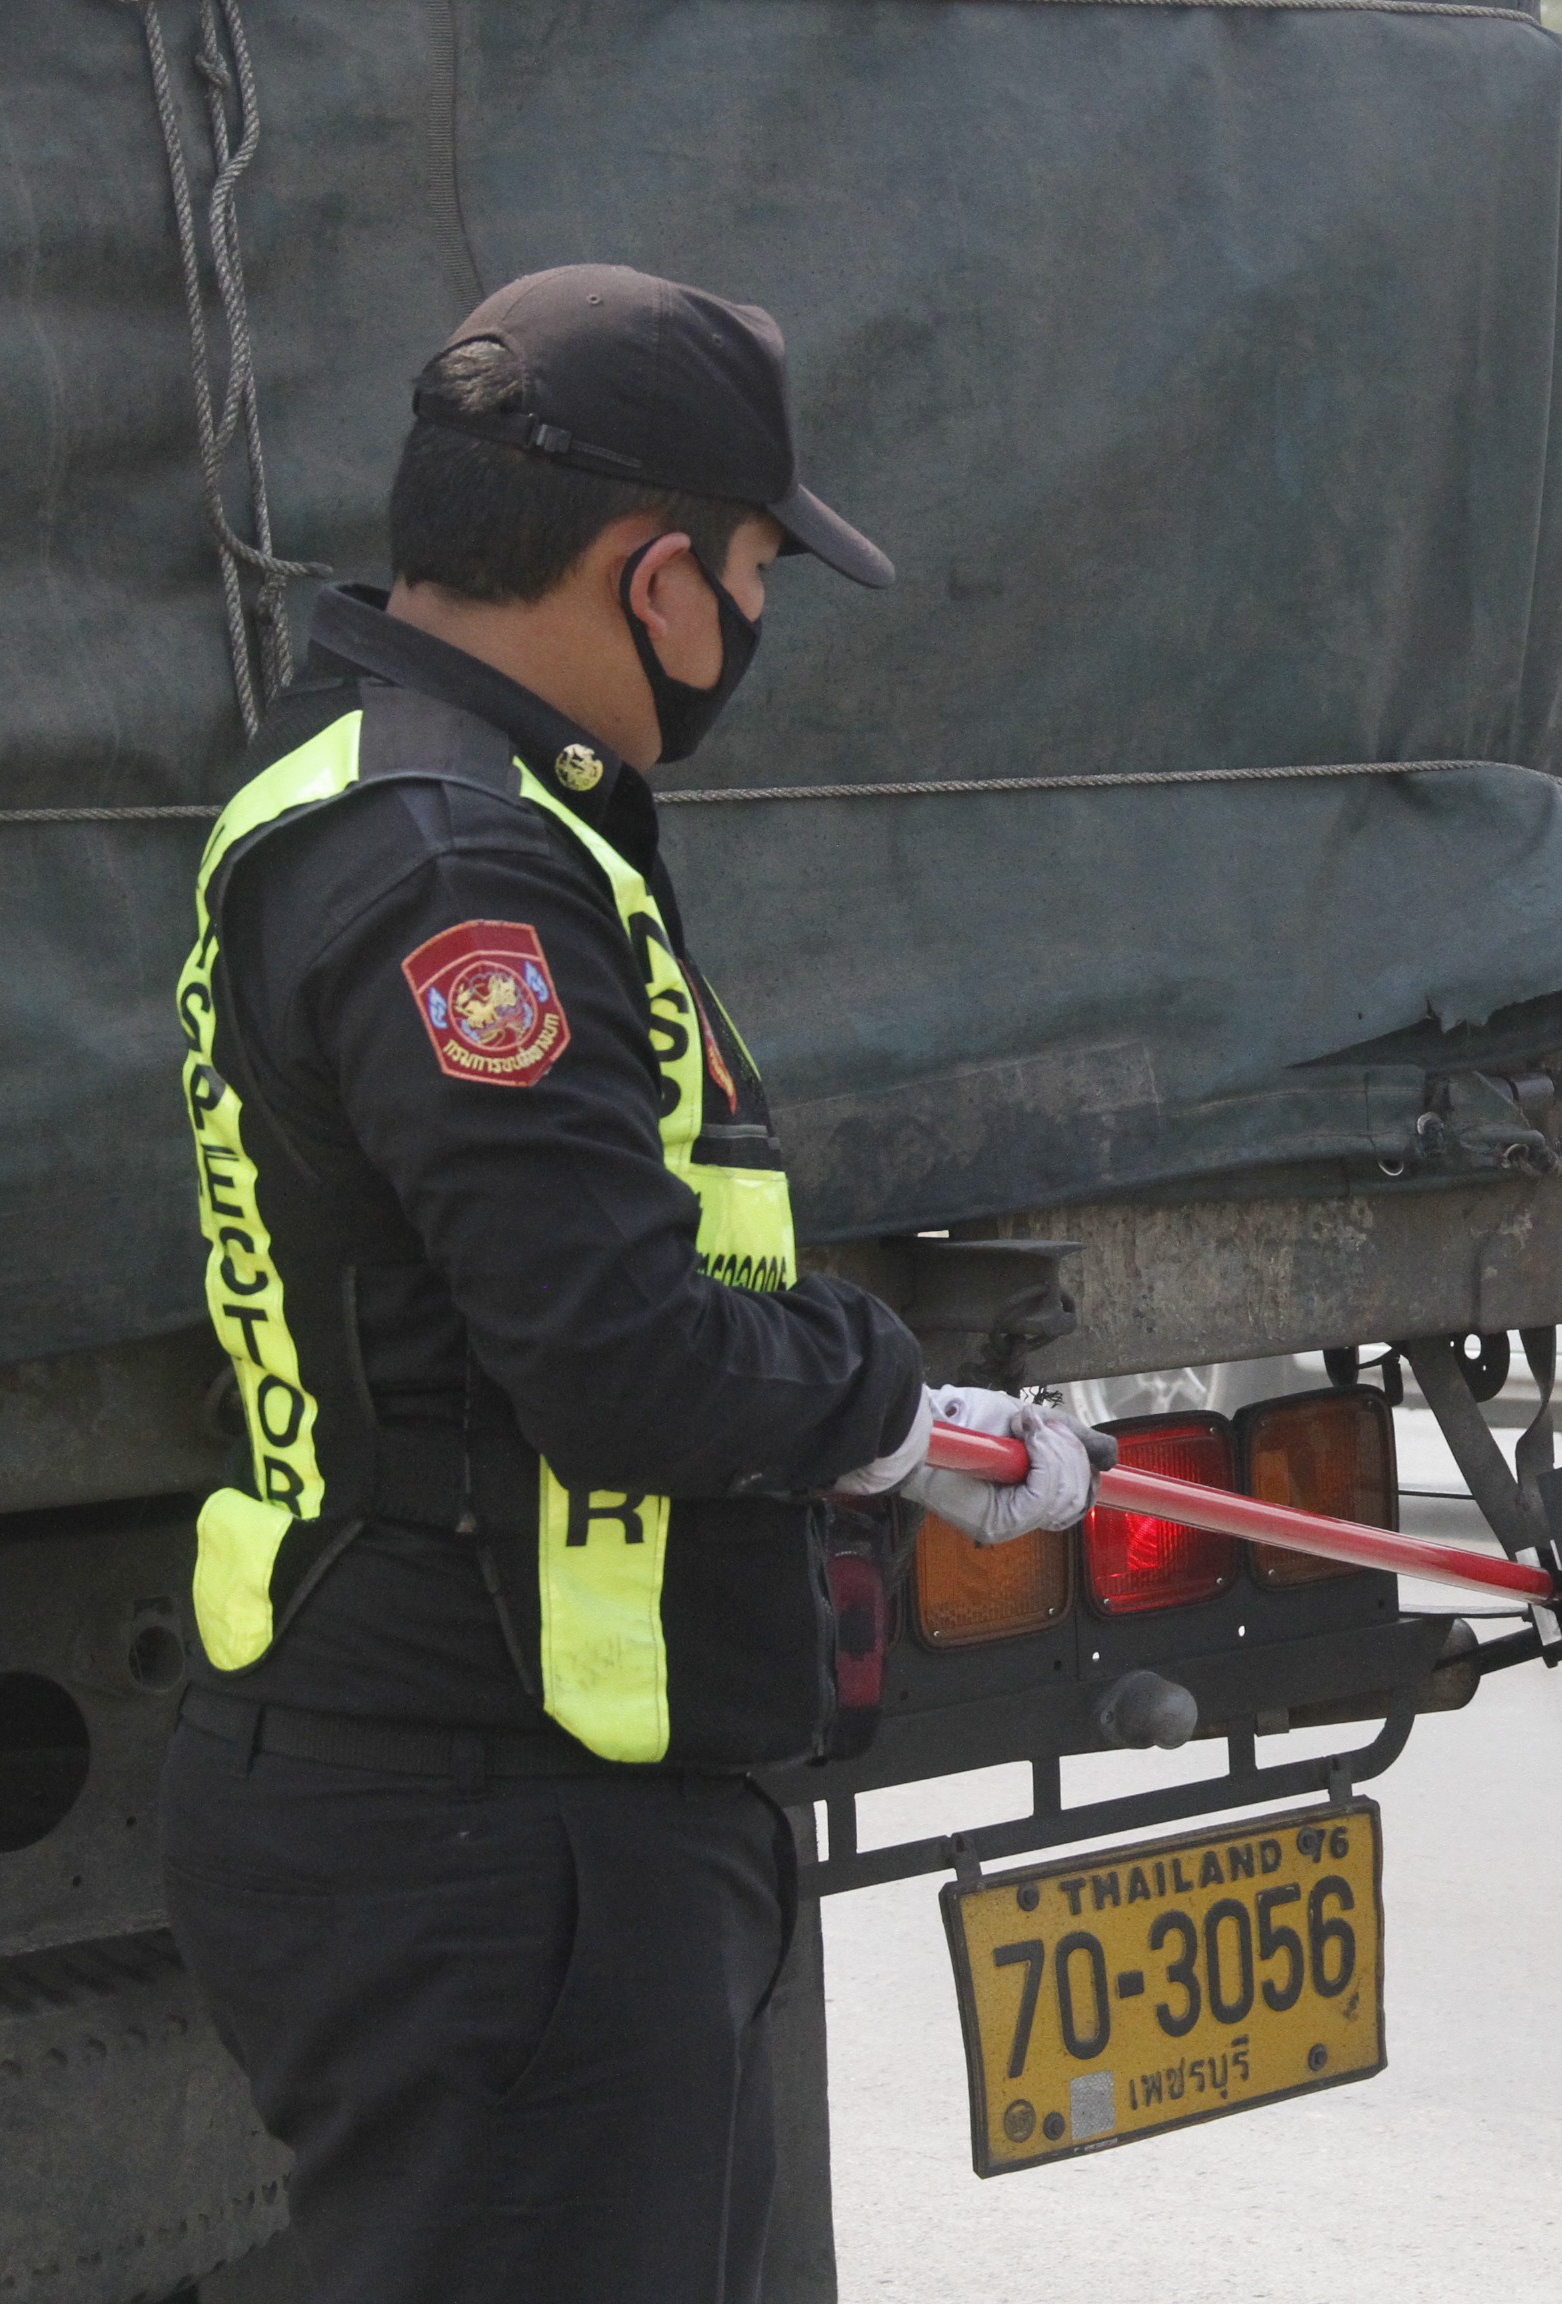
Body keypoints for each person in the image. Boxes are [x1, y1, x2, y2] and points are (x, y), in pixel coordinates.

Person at [156, 266, 1097, 2302]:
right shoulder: (456, 872)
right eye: (757, 570)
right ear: (652, 572)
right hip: (487, 1838)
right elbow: (611, 1351)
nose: (754, 622)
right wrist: (900, 1413)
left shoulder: (414, 806)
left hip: (484, 1801)